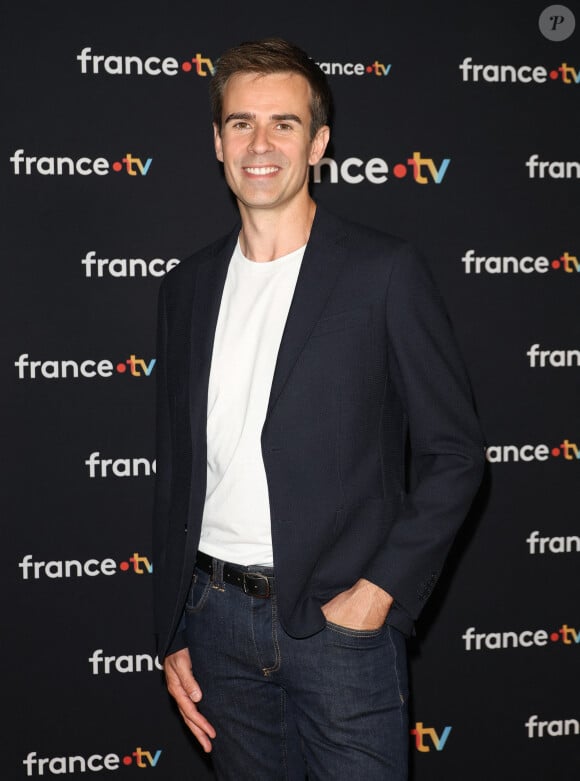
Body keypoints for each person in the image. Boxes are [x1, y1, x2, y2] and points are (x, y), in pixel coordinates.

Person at [152, 37, 485, 780]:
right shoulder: (185, 288)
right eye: (241, 123)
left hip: (339, 627)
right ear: (217, 141)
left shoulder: (383, 272)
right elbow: (178, 471)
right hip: (214, 623)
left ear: (319, 142)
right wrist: (173, 624)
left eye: (285, 123)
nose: (260, 143)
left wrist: (377, 595)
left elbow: (455, 456)